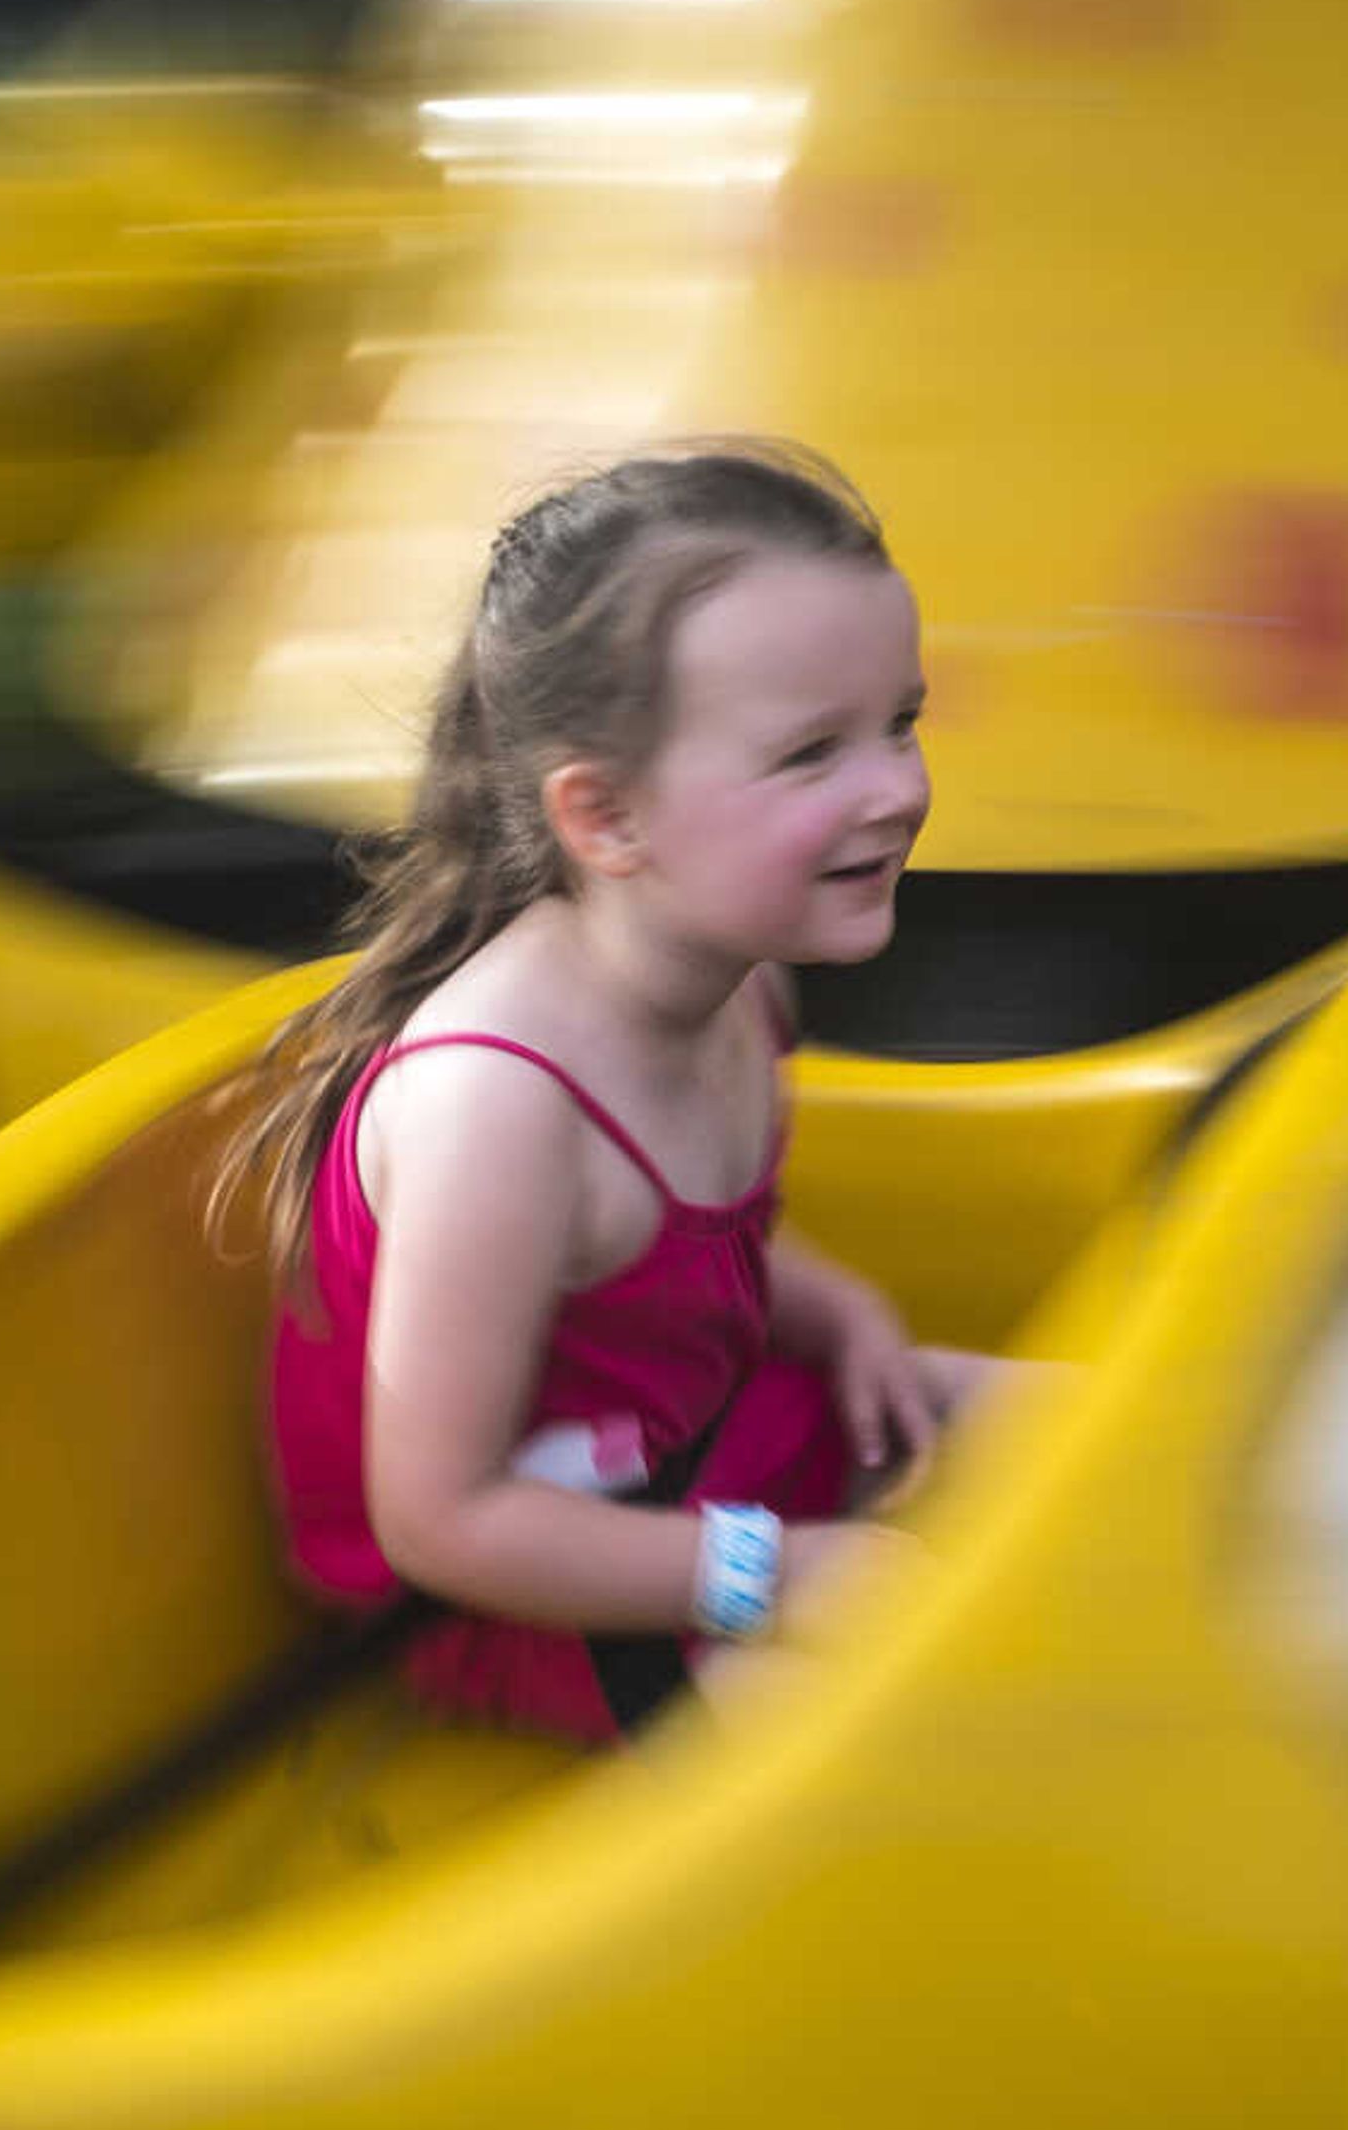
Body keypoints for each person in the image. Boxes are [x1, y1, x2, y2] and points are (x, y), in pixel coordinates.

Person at [216, 442, 1000, 1742]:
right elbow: (442, 1523)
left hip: (715, 1451)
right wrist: (785, 1571)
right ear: (607, 819)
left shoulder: (741, 979)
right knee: (923, 1730)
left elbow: (666, 1262)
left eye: (901, 723)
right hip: (538, 1586)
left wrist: (834, 1311)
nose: (899, 789)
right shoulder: (499, 1109)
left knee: (1115, 1434)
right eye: (812, 752)